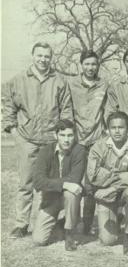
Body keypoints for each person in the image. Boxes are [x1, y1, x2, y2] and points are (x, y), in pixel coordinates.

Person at [3, 42, 73, 239]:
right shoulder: (18, 80)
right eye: (39, 56)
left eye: (47, 56)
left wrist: (60, 136)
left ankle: (46, 222)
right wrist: (16, 134)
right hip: (28, 140)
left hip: (51, 141)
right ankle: (21, 224)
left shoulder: (59, 81)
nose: (43, 60)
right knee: (25, 183)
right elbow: (8, 109)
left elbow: (66, 110)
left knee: (50, 184)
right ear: (33, 55)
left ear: (51, 58)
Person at [86, 111, 128, 256]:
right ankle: (118, 216)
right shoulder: (98, 147)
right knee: (108, 240)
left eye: (121, 127)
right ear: (107, 129)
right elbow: (93, 176)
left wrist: (111, 183)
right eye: (113, 128)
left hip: (120, 193)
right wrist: (122, 176)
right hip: (107, 196)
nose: (117, 131)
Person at [67, 50, 109, 235]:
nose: (90, 67)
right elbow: (67, 110)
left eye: (94, 64)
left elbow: (107, 112)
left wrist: (105, 134)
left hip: (96, 139)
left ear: (97, 65)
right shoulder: (71, 84)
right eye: (87, 64)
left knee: (93, 182)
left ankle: (89, 222)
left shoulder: (104, 85)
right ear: (81, 64)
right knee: (75, 180)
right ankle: (70, 221)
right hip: (77, 140)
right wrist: (71, 135)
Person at [32, 120, 86, 250]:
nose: (66, 140)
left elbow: (75, 178)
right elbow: (38, 181)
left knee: (71, 193)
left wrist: (53, 183)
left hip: (69, 198)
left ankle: (69, 234)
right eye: (62, 135)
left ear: (75, 136)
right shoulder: (45, 151)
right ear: (56, 136)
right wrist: (65, 184)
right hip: (50, 199)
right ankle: (61, 223)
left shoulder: (79, 151)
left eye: (70, 135)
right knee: (38, 240)